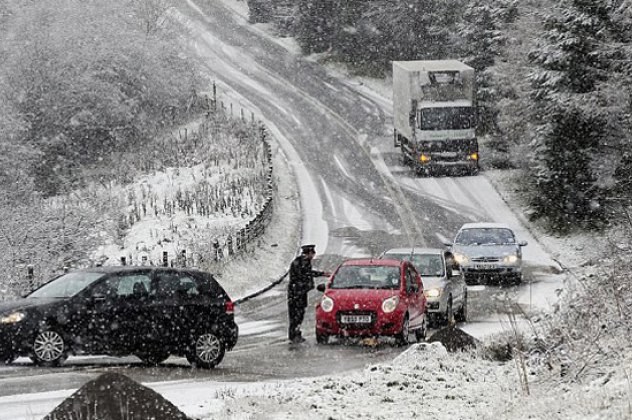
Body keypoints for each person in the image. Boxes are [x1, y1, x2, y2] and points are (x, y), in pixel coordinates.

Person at [287, 244, 330, 343]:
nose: (313, 256)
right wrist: (320, 274)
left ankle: (295, 334)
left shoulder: (302, 261)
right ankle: (294, 335)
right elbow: (305, 274)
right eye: (313, 253)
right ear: (309, 253)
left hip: (298, 292)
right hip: (297, 293)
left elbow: (307, 273)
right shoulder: (301, 263)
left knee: (298, 314)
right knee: (297, 315)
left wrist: (321, 273)